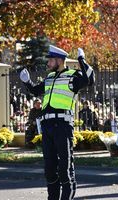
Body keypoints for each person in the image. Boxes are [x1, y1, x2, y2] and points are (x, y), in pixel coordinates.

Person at [19, 45, 94, 200]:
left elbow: (90, 79)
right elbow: (35, 91)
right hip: (47, 127)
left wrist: (81, 60)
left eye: (50, 60)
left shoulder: (73, 76)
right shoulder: (49, 78)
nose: (48, 64)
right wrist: (27, 82)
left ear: (59, 60)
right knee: (50, 169)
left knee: (65, 169)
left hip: (62, 126)